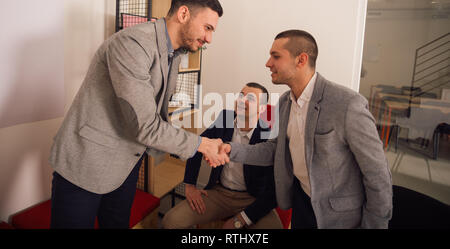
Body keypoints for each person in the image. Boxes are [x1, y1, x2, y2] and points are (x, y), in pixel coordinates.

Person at [49, 0, 225, 229]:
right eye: (208, 28)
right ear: (183, 13)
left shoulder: (175, 54)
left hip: (125, 165)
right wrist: (202, 145)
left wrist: (199, 147)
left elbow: (155, 116)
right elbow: (146, 125)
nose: (209, 39)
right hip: (86, 164)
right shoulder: (133, 43)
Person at [218, 30, 393, 229]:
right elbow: (276, 150)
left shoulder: (347, 104)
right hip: (302, 205)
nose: (268, 63)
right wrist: (233, 150)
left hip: (340, 217)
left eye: (276, 56)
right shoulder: (284, 102)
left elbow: (377, 174)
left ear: (301, 60)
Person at [162, 83, 283, 229]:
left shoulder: (269, 136)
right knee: (171, 221)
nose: (241, 100)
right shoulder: (225, 117)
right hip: (219, 193)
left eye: (250, 98)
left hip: (252, 198)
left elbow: (274, 188)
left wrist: (240, 220)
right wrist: (190, 185)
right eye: (240, 95)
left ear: (262, 108)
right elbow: (198, 145)